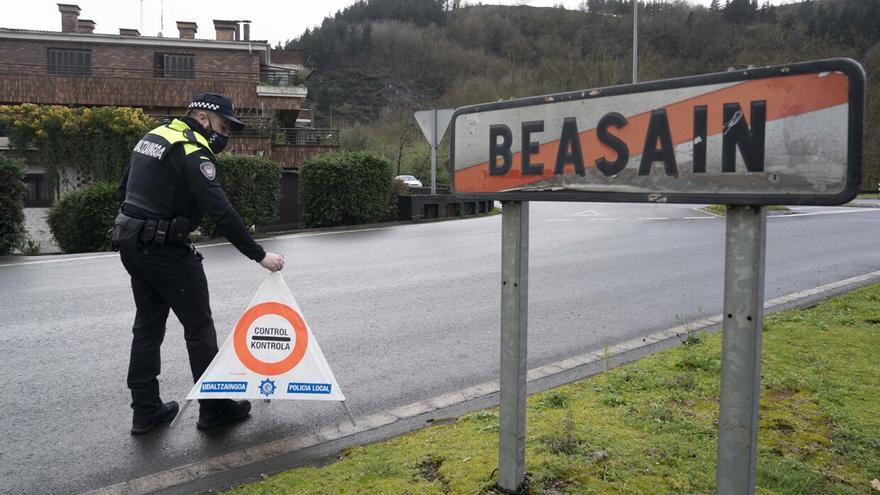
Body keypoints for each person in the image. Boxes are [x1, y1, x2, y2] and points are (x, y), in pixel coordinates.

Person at [111, 93, 285, 435]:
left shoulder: (155, 136)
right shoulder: (193, 149)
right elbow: (221, 211)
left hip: (132, 242)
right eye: (222, 127)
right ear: (203, 118)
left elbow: (123, 189)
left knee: (147, 328)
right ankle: (215, 407)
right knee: (199, 328)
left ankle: (145, 411)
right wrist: (259, 255)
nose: (224, 137)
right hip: (166, 249)